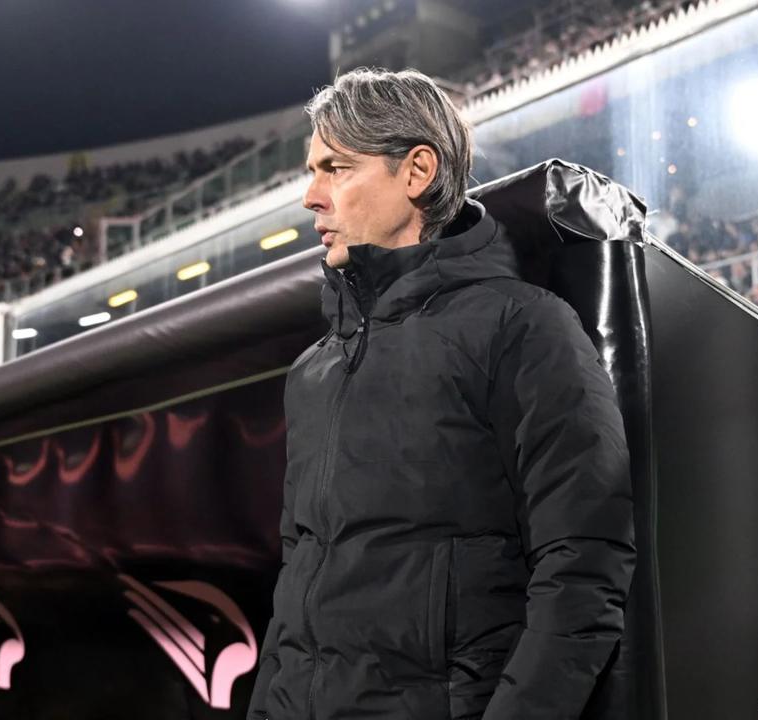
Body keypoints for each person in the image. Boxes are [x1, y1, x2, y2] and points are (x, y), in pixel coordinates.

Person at [246, 68, 635, 720]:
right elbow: (297, 583)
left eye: (336, 168)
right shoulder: (312, 371)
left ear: (417, 171)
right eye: (312, 172)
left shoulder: (522, 327)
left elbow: (582, 569)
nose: (312, 197)